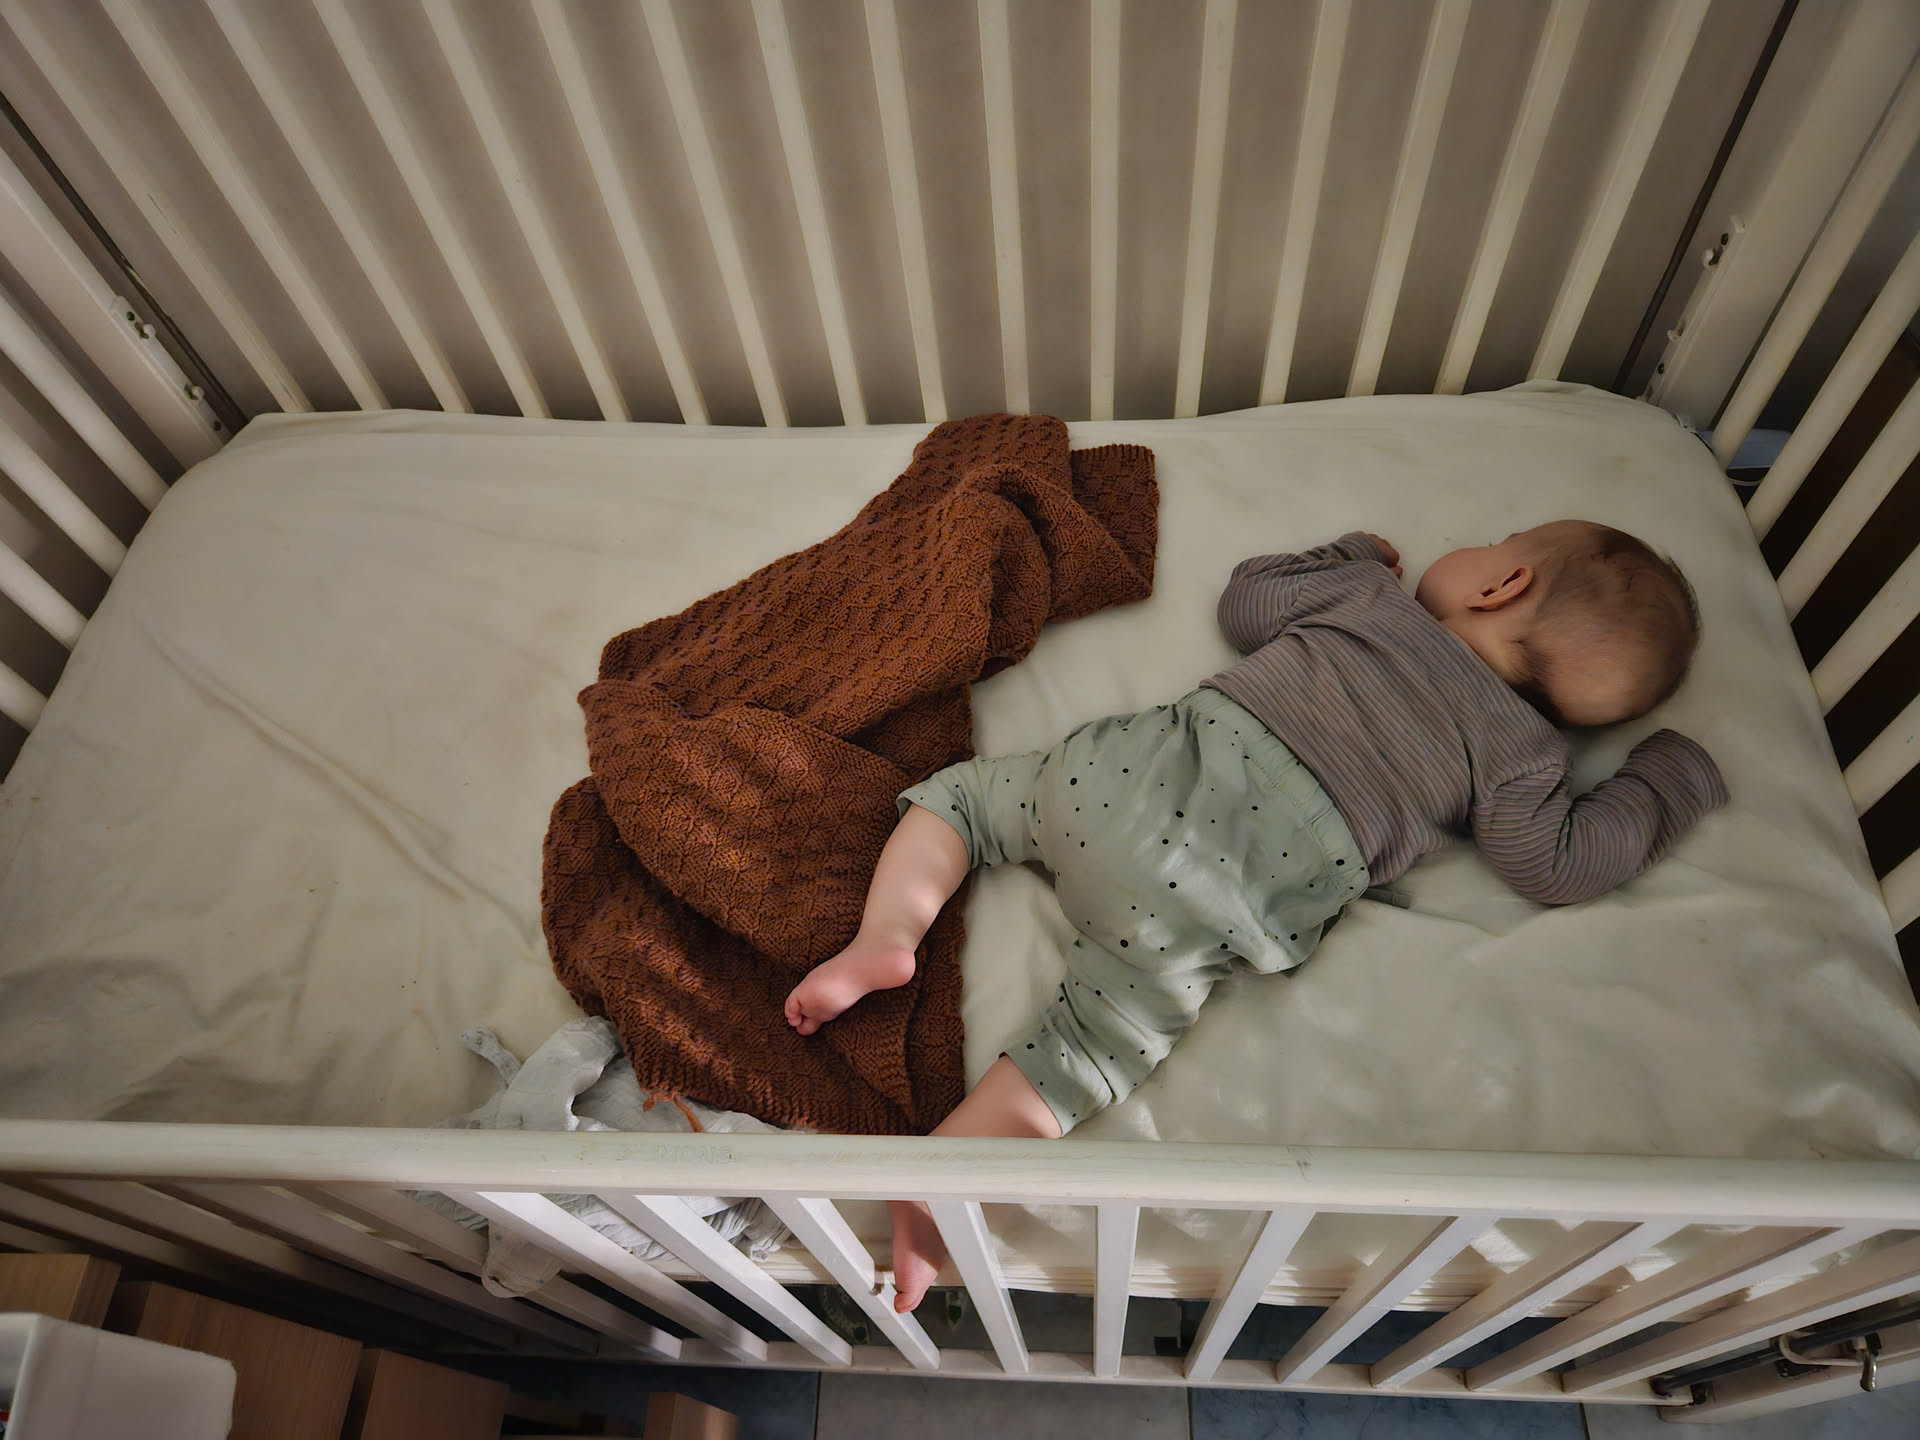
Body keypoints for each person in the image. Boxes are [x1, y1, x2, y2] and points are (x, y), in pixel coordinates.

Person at [784, 522, 1728, 1312]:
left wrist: (1350, 553)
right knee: (1087, 1048)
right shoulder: (1522, 760)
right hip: (1208, 908)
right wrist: (1665, 780)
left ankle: (888, 937)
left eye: (1497, 539)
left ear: (1501, 583)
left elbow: (1247, 601)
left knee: (966, 802)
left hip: (1118, 787)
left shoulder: (1369, 600)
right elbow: (1563, 865)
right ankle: (941, 1188)